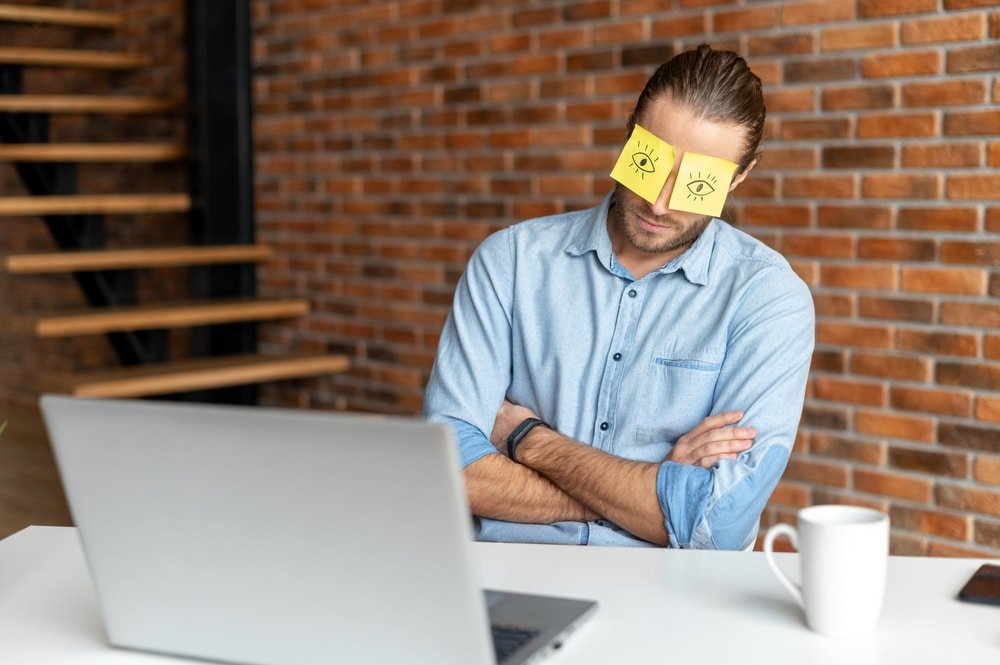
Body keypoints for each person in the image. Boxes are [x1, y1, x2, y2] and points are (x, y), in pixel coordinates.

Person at [423, 44, 815, 550]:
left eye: (698, 182)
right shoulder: (509, 261)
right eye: (650, 162)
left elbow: (717, 524)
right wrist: (652, 487)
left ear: (740, 176)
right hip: (509, 578)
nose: (659, 202)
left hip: (672, 600)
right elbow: (451, 473)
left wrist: (530, 440)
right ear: (631, 133)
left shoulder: (767, 298)